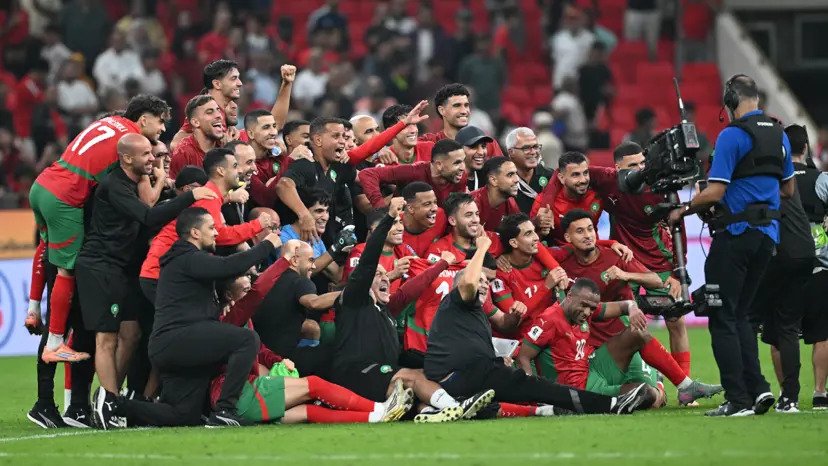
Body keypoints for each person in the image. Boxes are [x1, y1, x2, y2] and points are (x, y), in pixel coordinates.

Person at [667, 74, 796, 416]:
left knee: (722, 315)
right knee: (740, 315)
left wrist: (684, 209)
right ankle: (759, 389)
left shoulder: (732, 135)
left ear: (730, 102)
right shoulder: (780, 134)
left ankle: (737, 399)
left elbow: (715, 191)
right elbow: (788, 190)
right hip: (767, 236)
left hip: (736, 234)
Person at [424, 233, 654, 414]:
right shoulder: (456, 300)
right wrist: (482, 247)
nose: (485, 285)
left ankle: (544, 410)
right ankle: (611, 404)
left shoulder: (473, 314)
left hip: (472, 376)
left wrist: (498, 358)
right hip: (464, 376)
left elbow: (477, 341)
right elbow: (468, 284)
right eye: (481, 281)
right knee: (540, 387)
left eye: (488, 282)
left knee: (511, 396)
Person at [75, 134, 214, 429]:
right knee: (106, 338)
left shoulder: (134, 180)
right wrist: (189, 197)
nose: (152, 159)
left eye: (152, 153)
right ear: (127, 158)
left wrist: (161, 181)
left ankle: (113, 398)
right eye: (146, 155)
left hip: (120, 269)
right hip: (100, 267)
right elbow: (148, 217)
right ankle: (107, 402)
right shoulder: (114, 185)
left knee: (132, 334)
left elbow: (149, 201)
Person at [110, 207, 282, 428]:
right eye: (211, 228)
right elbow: (228, 266)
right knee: (246, 340)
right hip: (178, 340)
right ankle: (225, 410)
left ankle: (115, 405)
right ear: (195, 233)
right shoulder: (187, 257)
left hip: (174, 344)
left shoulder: (184, 259)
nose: (216, 232)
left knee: (183, 415)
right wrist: (266, 245)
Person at [28, 94, 169, 362]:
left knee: (45, 246)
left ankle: (33, 309)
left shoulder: (110, 121)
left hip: (43, 184)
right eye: (160, 122)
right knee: (66, 271)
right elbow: (147, 202)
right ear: (143, 120)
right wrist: (160, 178)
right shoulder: (132, 143)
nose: (162, 128)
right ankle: (54, 343)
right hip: (65, 197)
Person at [329, 198, 495, 422]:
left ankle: (429, 412)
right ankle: (458, 407)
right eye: (378, 275)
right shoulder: (355, 301)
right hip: (354, 372)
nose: (385, 278)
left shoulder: (386, 309)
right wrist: (389, 218)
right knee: (412, 378)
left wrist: (442, 265)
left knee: (424, 375)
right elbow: (367, 262)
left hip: (380, 374)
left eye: (385, 274)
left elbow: (411, 290)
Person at [139, 149, 272, 307]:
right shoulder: (208, 198)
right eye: (235, 166)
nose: (239, 171)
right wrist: (257, 224)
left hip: (165, 272)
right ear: (221, 170)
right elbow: (221, 236)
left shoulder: (211, 197)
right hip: (160, 274)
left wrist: (228, 198)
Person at [607, 142, 690, 375]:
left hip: (659, 264)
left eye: (643, 163)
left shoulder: (659, 187)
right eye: (633, 165)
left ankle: (685, 383)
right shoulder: (608, 184)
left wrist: (677, 272)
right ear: (617, 168)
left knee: (676, 321)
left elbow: (679, 230)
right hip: (624, 263)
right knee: (626, 328)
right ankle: (639, 379)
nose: (640, 169)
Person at [517, 279, 664, 407]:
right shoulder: (548, 320)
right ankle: (657, 385)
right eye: (584, 305)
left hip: (593, 368)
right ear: (569, 296)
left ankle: (674, 381)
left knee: (636, 333)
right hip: (580, 390)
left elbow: (625, 305)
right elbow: (523, 356)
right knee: (648, 394)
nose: (587, 312)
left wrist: (633, 309)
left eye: (592, 308)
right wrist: (532, 393)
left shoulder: (584, 311)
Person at [753, 124, 817, 413]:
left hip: (779, 253)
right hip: (804, 252)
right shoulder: (784, 177)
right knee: (787, 327)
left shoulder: (759, 179)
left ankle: (750, 392)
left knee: (746, 320)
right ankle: (790, 398)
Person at [252, 241, 341, 376]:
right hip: (284, 359)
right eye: (311, 260)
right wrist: (348, 293)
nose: (314, 266)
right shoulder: (301, 282)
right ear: (294, 260)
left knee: (311, 327)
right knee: (337, 353)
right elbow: (314, 303)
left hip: (259, 354)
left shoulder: (265, 278)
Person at [530, 151, 615, 245]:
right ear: (561, 178)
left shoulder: (598, 195)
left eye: (585, 173)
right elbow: (533, 241)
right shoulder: (544, 204)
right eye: (575, 175)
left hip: (593, 250)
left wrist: (611, 244)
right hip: (559, 252)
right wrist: (540, 229)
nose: (583, 180)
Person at [358, 139, 468, 209]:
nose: (463, 168)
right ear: (439, 165)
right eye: (457, 163)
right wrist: (380, 206)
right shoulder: (413, 172)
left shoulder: (460, 177)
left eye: (463, 161)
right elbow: (367, 174)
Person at [170, 59, 242, 148]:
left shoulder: (223, 110)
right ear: (217, 84)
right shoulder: (203, 108)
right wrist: (213, 139)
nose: (240, 83)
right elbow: (175, 144)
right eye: (233, 78)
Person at [420, 83, 503, 157]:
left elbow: (501, 168)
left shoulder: (488, 144)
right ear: (442, 110)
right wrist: (410, 125)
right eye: (457, 105)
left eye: (466, 105)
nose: (464, 111)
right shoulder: (430, 142)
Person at [169, 95, 225, 179]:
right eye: (209, 112)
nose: (219, 116)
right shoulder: (184, 153)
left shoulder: (225, 146)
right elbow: (177, 186)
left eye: (218, 110)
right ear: (195, 122)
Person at [505, 127, 554, 214]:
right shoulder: (503, 181)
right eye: (526, 148)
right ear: (511, 152)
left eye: (535, 147)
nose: (533, 152)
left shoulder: (550, 176)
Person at [469, 157, 520, 232]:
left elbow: (520, 230)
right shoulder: (471, 203)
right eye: (510, 175)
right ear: (493, 180)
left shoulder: (510, 202)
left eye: (516, 174)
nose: (517, 179)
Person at [399, 181, 447, 257]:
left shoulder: (441, 216)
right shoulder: (392, 229)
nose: (435, 208)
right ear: (411, 208)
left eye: (435, 202)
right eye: (427, 204)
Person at [456, 125, 493, 191]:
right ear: (459, 150)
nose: (481, 152)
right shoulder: (451, 181)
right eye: (473, 147)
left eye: (483, 146)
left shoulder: (488, 179)